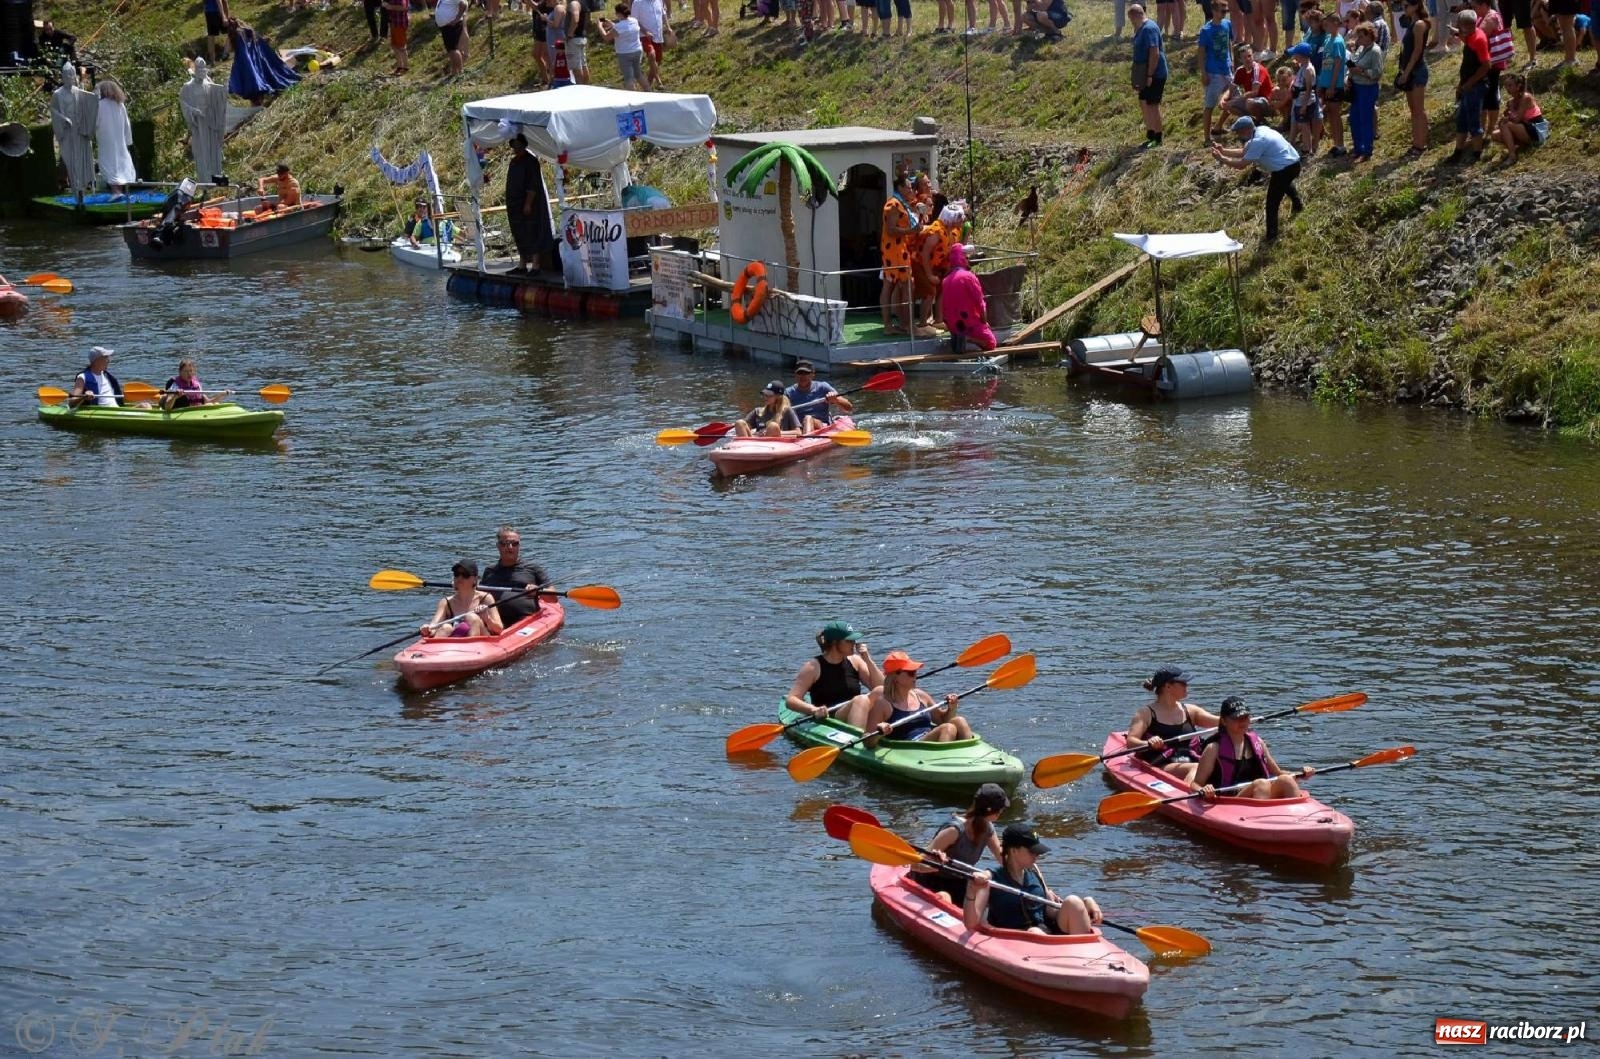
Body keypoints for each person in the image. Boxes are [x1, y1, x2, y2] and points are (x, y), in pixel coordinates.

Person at [963, 825, 1103, 936]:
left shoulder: (1034, 870)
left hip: (1045, 933)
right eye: (1032, 852)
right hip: (1016, 939)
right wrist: (971, 889)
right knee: (1034, 931)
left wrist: (1085, 904)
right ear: (1014, 851)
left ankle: (1083, 958)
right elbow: (971, 924)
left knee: (1073, 901)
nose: (1036, 856)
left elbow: (1049, 910)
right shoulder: (990, 878)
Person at [1193, 696, 1316, 799]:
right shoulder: (1213, 748)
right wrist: (1205, 790)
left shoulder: (1258, 743)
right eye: (1237, 718)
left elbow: (1278, 773)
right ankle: (1263, 822)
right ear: (1224, 721)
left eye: (1245, 717)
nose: (1243, 722)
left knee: (1286, 780)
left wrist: (1301, 774)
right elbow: (1195, 784)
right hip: (1230, 802)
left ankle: (1297, 819)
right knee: (1261, 783)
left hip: (1260, 796)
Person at [909, 783, 1009, 904]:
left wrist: (1019, 860)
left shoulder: (988, 828)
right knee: (945, 897)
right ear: (993, 811)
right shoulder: (953, 831)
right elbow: (915, 865)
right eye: (1001, 809)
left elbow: (1002, 858)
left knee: (994, 895)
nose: (1002, 811)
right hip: (934, 881)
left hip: (960, 880)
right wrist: (936, 865)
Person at [1211, 116, 1303, 243]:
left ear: (1246, 129)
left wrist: (1221, 158)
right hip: (1291, 164)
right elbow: (1244, 151)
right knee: (1284, 184)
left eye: (1238, 132)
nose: (1237, 135)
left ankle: (1272, 235)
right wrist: (1224, 151)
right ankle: (1298, 205)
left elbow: (1241, 165)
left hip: (1286, 168)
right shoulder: (1261, 130)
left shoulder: (1259, 140)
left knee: (1272, 202)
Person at [1124, 666, 1222, 782]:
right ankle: (1186, 797)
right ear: (1168, 686)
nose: (1187, 686)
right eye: (1183, 683)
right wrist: (1148, 743)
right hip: (1163, 763)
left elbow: (1221, 722)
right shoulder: (1145, 713)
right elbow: (1131, 742)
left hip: (1190, 758)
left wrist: (1237, 718)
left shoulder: (1191, 711)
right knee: (1196, 768)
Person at [784, 619, 884, 729]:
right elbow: (791, 700)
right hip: (830, 717)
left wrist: (868, 660)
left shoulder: (856, 661)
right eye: (849, 641)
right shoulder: (813, 667)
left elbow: (881, 687)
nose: (854, 644)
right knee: (861, 700)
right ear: (834, 643)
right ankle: (856, 739)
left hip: (855, 711)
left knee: (880, 691)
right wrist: (813, 710)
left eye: (854, 640)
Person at [867, 650, 974, 743]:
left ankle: (971, 756)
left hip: (928, 739)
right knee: (947, 728)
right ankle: (942, 762)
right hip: (911, 747)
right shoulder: (883, 704)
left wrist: (952, 707)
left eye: (915, 672)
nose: (915, 676)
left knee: (959, 720)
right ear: (895, 677)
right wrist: (879, 732)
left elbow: (942, 720)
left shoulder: (921, 695)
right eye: (911, 673)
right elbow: (868, 741)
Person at [505, 134, 557, 274]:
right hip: (515, 205)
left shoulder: (531, 161)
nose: (514, 147)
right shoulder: (514, 161)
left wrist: (528, 203)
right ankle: (522, 264)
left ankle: (535, 265)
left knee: (532, 233)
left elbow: (533, 184)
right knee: (520, 233)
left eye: (516, 143)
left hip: (529, 205)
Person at [480, 525, 551, 626]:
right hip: (496, 621)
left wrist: (538, 591)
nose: (510, 547)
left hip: (526, 621)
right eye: (505, 543)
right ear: (498, 546)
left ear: (519, 546)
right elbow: (479, 596)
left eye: (514, 544)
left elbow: (553, 598)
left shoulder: (533, 568)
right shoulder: (489, 571)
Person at [879, 172, 920, 336]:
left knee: (904, 285)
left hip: (900, 248)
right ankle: (894, 325)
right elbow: (891, 229)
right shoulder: (894, 205)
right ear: (900, 188)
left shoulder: (903, 203)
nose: (912, 190)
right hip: (893, 250)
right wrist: (910, 231)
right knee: (892, 285)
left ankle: (904, 324)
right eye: (909, 187)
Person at [1449, 8, 1491, 163]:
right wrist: (1457, 33)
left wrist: (1470, 83)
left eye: (1459, 25)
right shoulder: (1471, 35)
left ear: (1466, 26)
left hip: (1475, 87)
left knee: (1474, 121)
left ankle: (1476, 154)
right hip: (1467, 85)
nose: (1458, 28)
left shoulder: (1478, 39)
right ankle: (1458, 152)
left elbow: (1486, 65)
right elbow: (1466, 38)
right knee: (1461, 120)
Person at [422, 561, 505, 639]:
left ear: (475, 579)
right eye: (457, 574)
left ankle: (470, 649)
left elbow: (499, 630)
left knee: (472, 618)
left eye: (465, 575)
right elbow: (434, 626)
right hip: (457, 641)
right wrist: (427, 629)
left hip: (482, 643)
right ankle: (432, 652)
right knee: (445, 627)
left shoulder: (486, 598)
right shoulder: (446, 602)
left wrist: (487, 619)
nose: (460, 578)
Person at [940, 243, 997, 353]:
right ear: (962, 259)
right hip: (968, 322)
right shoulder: (969, 277)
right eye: (966, 257)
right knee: (991, 343)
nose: (968, 260)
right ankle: (968, 339)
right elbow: (980, 302)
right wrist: (984, 322)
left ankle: (957, 336)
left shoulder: (945, 280)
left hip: (953, 324)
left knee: (961, 323)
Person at [1395, 0, 1432, 155]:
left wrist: (1407, 72)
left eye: (1406, 6)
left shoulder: (1419, 25)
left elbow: (1417, 51)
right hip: (1409, 70)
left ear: (1415, 6)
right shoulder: (1412, 23)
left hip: (1416, 71)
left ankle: (1421, 144)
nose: (1404, 9)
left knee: (1418, 109)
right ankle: (1416, 141)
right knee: (1413, 110)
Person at [1129, 5, 1169, 148]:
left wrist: (1150, 74)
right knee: (1144, 102)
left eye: (1131, 19)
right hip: (1144, 72)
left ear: (1135, 16)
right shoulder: (1141, 29)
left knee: (1152, 105)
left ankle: (1158, 138)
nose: (1131, 22)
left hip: (1155, 73)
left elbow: (1154, 52)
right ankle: (1150, 133)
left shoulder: (1149, 29)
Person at [1198, 2, 1235, 143]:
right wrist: (1203, 73)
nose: (1224, 13)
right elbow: (1201, 53)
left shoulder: (1227, 24)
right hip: (1213, 72)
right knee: (1210, 105)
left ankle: (1219, 126)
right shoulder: (1206, 30)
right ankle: (1207, 137)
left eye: (1226, 11)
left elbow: (1229, 43)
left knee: (1233, 99)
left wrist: (1232, 61)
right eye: (1222, 11)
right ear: (1213, 10)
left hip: (1227, 70)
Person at [1346, 21, 1383, 161]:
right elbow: (1354, 61)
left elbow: (1377, 73)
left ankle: (1366, 150)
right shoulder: (1361, 48)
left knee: (1365, 119)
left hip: (1367, 88)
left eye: (1361, 36)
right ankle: (1357, 148)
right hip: (1356, 87)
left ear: (1369, 36)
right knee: (1354, 118)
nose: (1358, 39)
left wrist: (1360, 71)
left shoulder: (1375, 51)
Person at [1493, 71, 1547, 163]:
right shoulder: (1510, 102)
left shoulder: (1526, 98)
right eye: (1506, 86)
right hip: (1523, 128)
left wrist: (1507, 118)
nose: (1507, 88)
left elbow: (1517, 119)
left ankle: (1512, 156)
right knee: (1495, 134)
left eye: (1510, 86)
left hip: (1535, 130)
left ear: (1518, 86)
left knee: (1506, 125)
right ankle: (1516, 148)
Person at [1315, 8, 1349, 156]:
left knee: (1335, 114)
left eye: (1327, 25)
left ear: (1335, 23)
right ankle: (1336, 143)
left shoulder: (1338, 41)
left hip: (1334, 85)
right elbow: (1325, 63)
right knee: (1330, 112)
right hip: (1325, 82)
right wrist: (1321, 83)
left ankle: (1340, 144)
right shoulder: (1328, 39)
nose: (1325, 27)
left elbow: (1337, 65)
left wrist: (1332, 85)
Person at [785, 361, 853, 434]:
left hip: (821, 424)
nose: (803, 376)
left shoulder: (823, 387)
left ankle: (807, 440)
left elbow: (849, 408)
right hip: (799, 427)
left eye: (806, 373)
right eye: (800, 373)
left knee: (808, 418)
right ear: (795, 375)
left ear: (813, 375)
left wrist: (835, 400)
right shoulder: (788, 392)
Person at [95, 80, 137, 196]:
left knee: (109, 163)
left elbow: (95, 123)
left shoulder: (99, 105)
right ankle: (120, 190)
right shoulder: (120, 105)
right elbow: (126, 124)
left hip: (106, 140)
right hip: (119, 140)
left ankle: (116, 191)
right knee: (120, 163)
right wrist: (128, 140)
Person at [598, 5, 647, 90]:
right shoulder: (634, 21)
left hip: (625, 54)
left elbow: (606, 37)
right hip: (637, 51)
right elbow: (623, 28)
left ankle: (632, 98)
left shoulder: (618, 27)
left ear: (619, 13)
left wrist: (599, 26)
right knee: (638, 74)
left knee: (629, 78)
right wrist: (611, 23)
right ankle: (648, 90)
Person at [734, 381, 802, 437]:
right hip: (755, 444)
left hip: (775, 445)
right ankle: (743, 449)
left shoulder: (787, 411)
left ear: (778, 396)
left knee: (773, 426)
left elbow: (798, 432)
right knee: (739, 423)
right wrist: (756, 433)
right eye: (764, 394)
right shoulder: (757, 411)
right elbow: (745, 428)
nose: (765, 397)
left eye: (769, 395)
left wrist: (776, 432)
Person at [161, 358, 230, 410]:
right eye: (186, 371)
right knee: (208, 405)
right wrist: (175, 396)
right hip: (181, 412)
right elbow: (167, 407)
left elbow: (208, 401)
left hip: (196, 411)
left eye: (191, 371)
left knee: (213, 404)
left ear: (194, 371)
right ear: (180, 372)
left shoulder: (196, 384)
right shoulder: (175, 385)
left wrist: (221, 394)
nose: (189, 374)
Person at [435, 0, 471, 75]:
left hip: (452, 25)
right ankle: (454, 71)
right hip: (446, 27)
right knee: (450, 50)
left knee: (453, 49)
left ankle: (460, 71)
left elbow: (463, 4)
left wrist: (456, 19)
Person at [382, 0, 411, 73]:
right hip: (394, 23)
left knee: (401, 46)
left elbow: (404, 7)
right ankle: (399, 66)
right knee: (394, 45)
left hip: (400, 24)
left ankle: (405, 67)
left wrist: (389, 6)